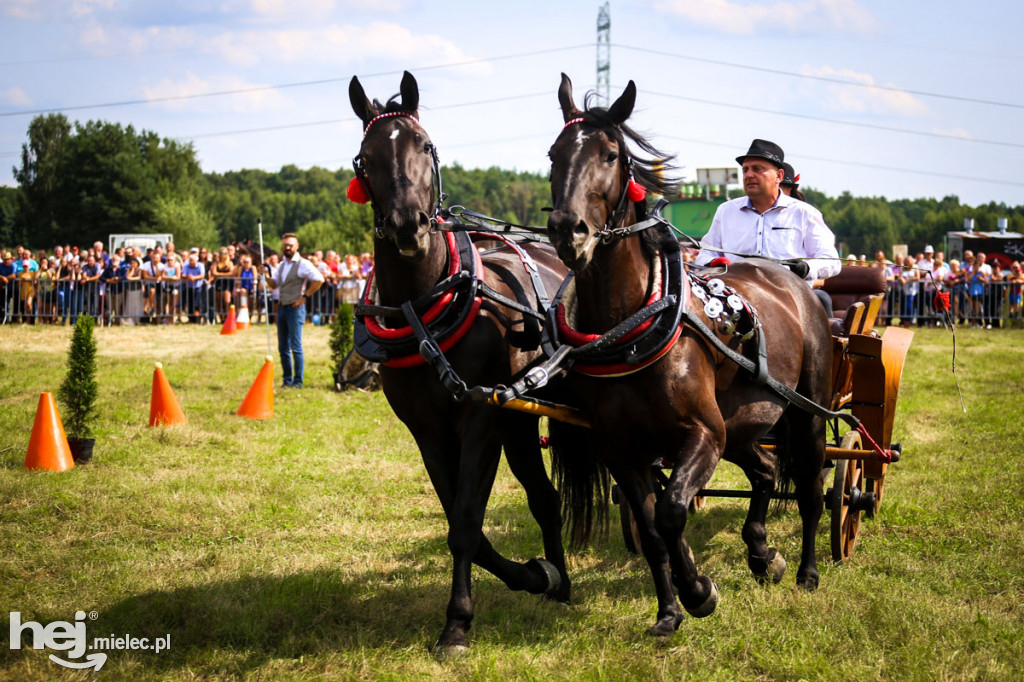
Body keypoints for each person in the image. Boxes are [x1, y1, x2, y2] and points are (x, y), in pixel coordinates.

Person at [695, 139, 840, 316]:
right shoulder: (725, 211)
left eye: (758, 169)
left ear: (779, 176)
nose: (749, 175)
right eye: (745, 170)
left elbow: (831, 260)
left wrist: (805, 268)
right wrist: (712, 263)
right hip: (734, 302)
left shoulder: (804, 213)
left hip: (790, 304)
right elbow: (705, 253)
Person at [264, 233, 324, 388]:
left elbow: (319, 279)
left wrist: (305, 296)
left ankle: (298, 380)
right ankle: (287, 379)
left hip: (295, 309)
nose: (287, 247)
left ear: (297, 246)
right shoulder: (282, 265)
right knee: (282, 347)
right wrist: (265, 275)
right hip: (282, 308)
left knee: (295, 347)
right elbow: (273, 285)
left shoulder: (303, 263)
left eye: (290, 245)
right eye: (285, 245)